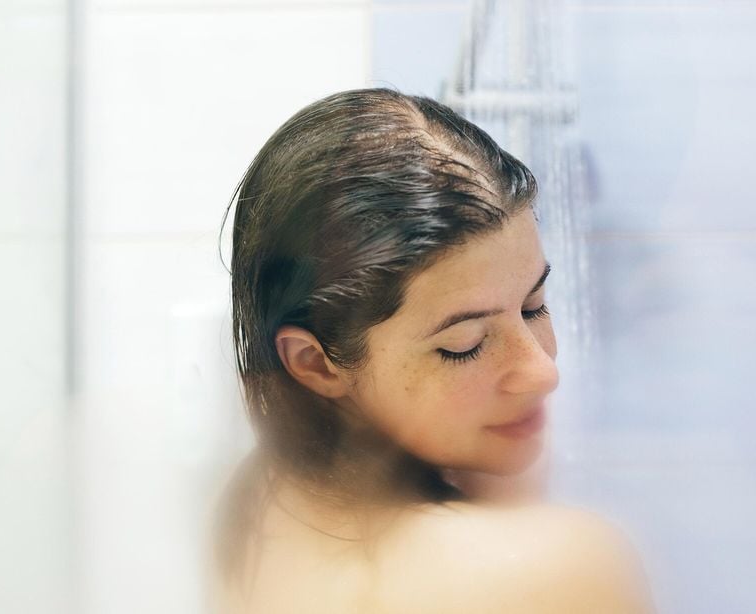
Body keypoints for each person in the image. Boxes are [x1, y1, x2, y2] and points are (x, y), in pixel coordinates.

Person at [213, 87, 655, 613]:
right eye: (464, 346)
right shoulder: (559, 569)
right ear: (315, 363)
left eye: (533, 306)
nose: (542, 372)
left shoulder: (255, 506)